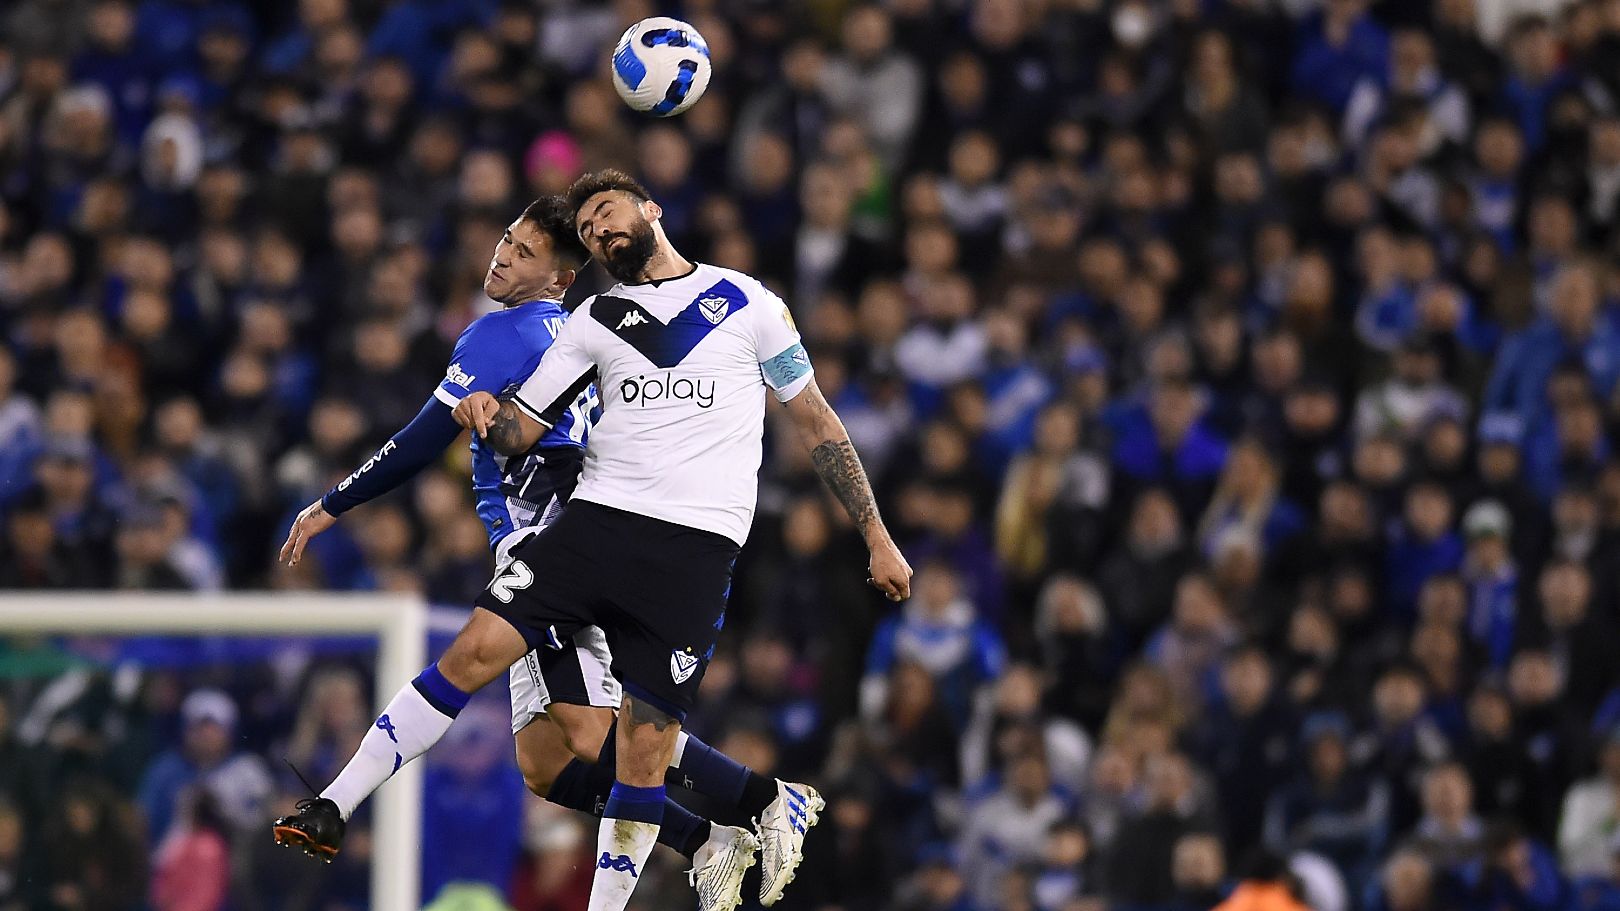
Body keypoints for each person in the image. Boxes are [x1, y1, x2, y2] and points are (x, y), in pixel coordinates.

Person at [275, 169, 913, 911]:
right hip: (593, 526)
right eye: (584, 226)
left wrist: (876, 534)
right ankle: (337, 803)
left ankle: (743, 814)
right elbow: (523, 427)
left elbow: (818, 423)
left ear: (650, 209)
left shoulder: (750, 303)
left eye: (605, 213)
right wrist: (486, 413)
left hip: (692, 549)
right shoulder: (591, 320)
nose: (598, 228)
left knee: (615, 745)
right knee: (540, 745)